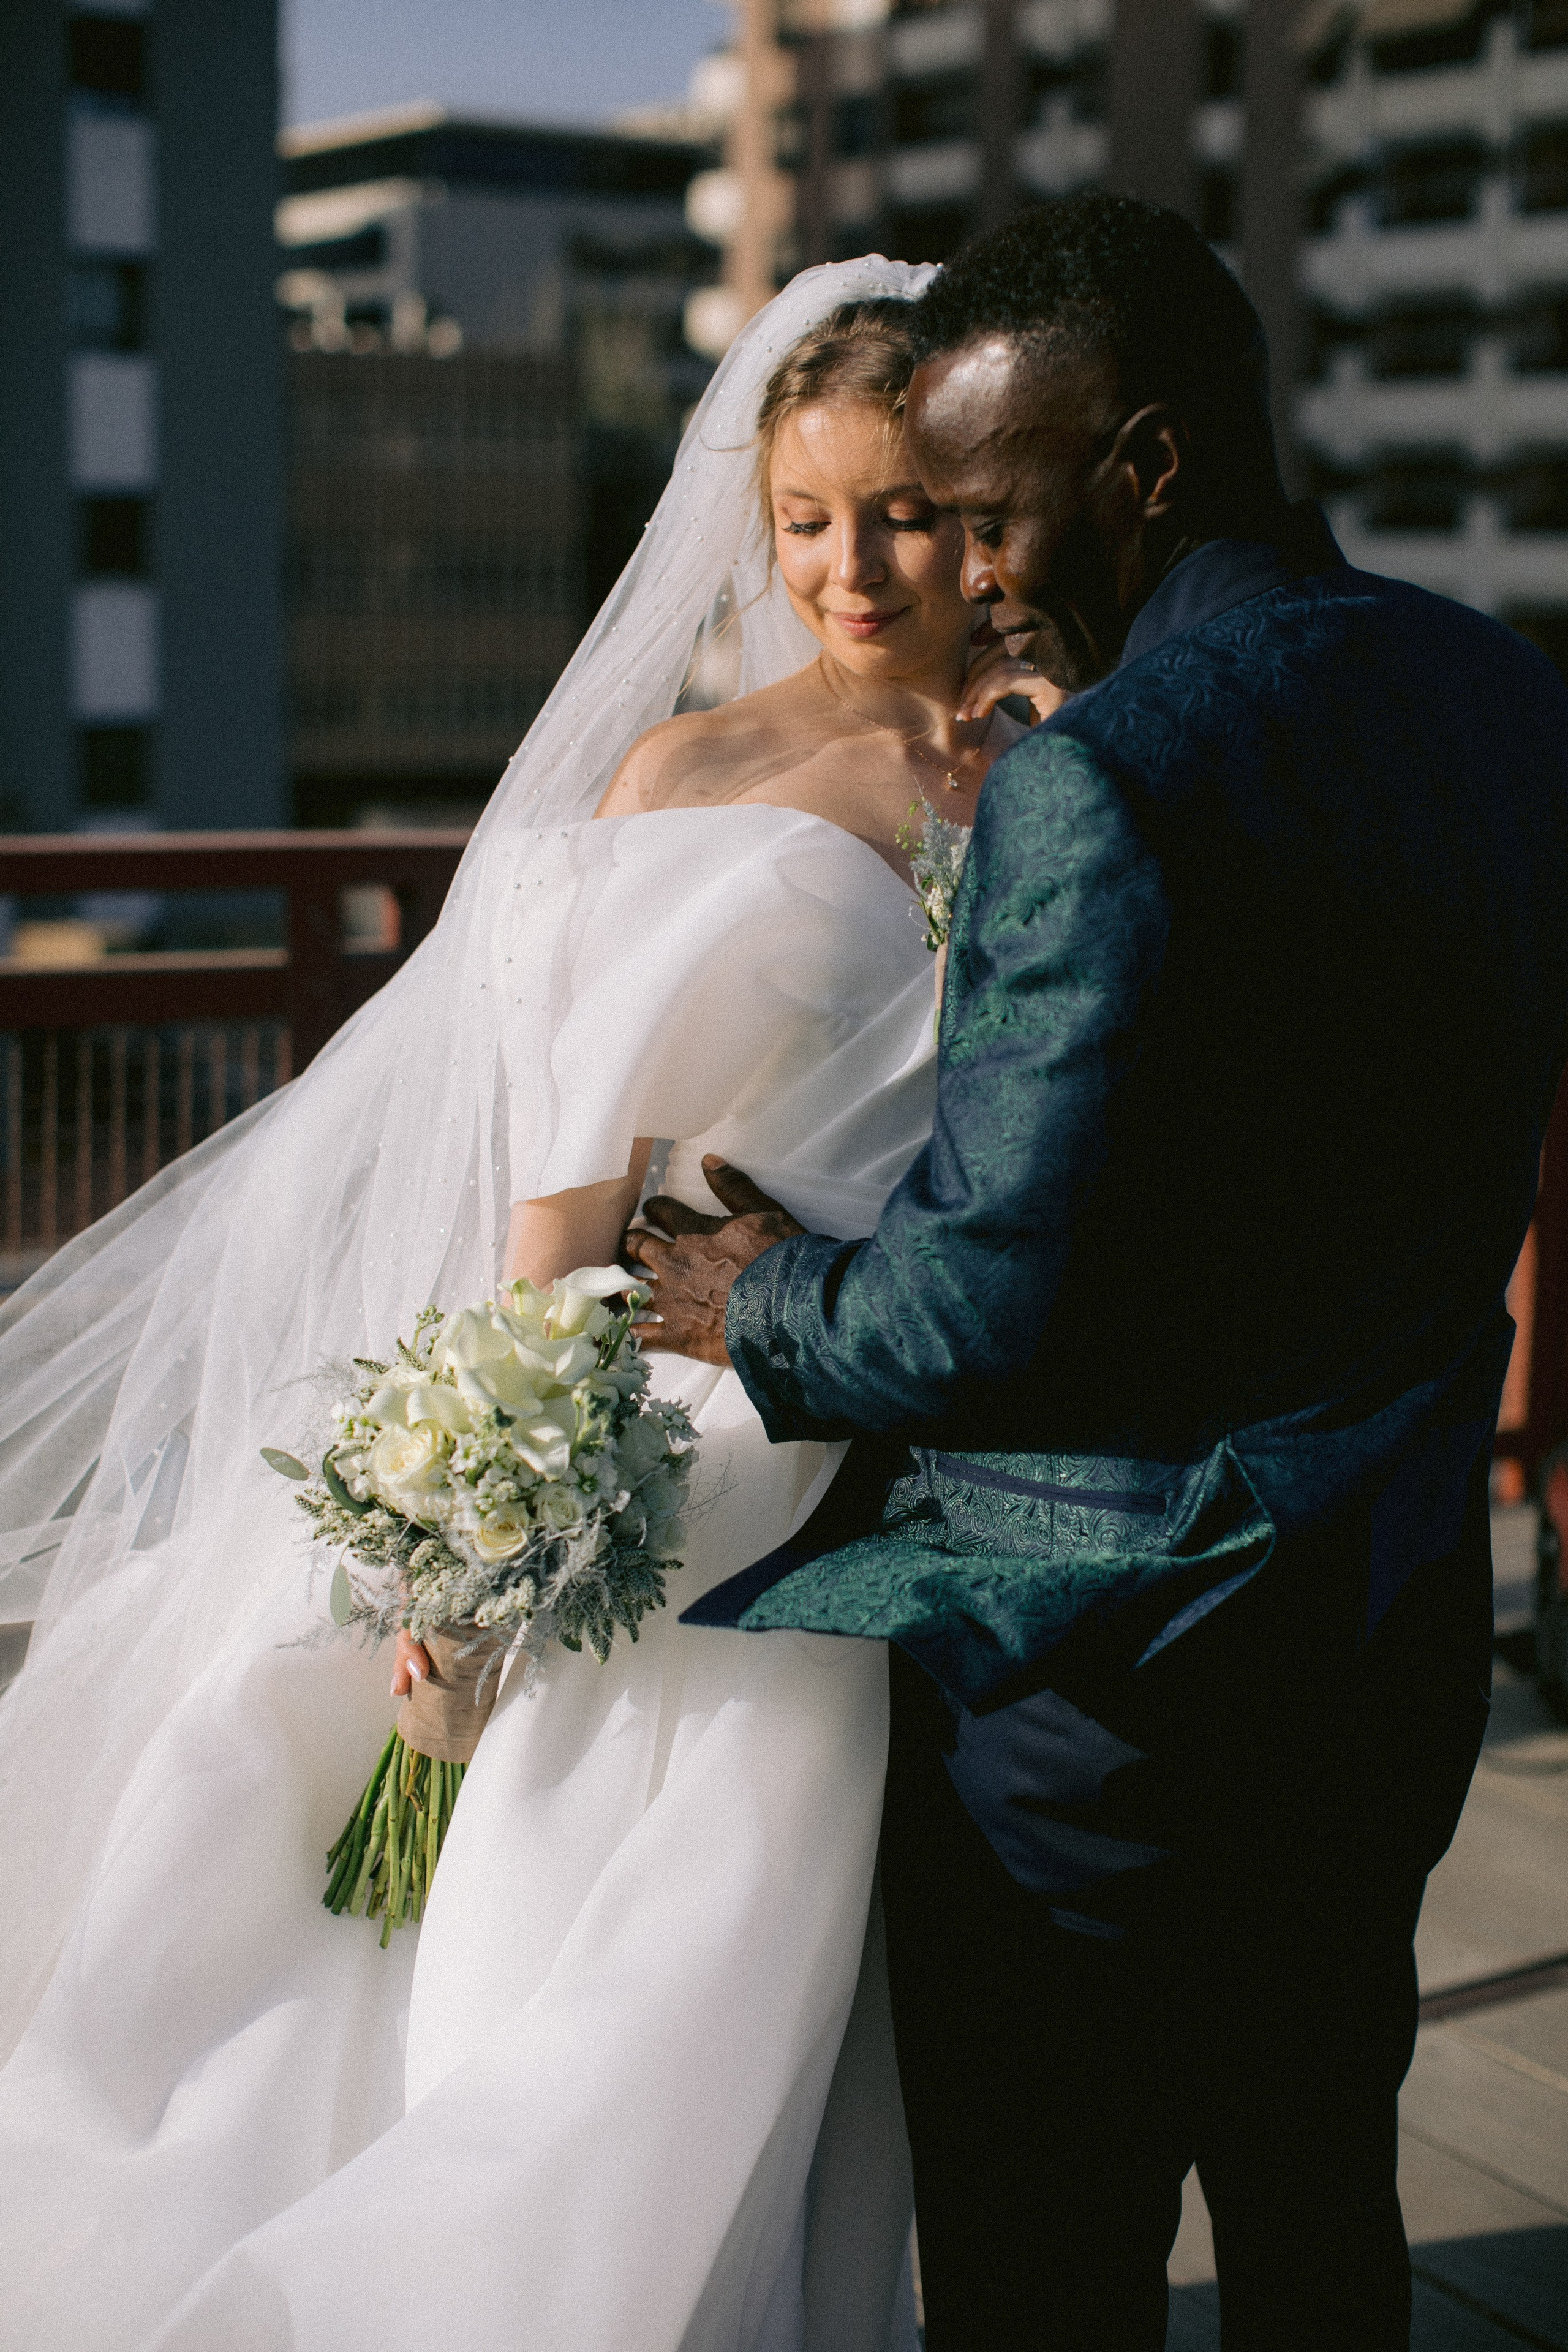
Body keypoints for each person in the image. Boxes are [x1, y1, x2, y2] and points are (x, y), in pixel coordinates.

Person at [0, 263, 1055, 2352]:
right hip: (713, 1434)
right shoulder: (688, 773)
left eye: (907, 514)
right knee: (645, 1947)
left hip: (947, 1426)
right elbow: (566, 1193)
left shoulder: (1054, 762)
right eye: (808, 520)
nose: (855, 567)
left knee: (822, 2005)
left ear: (983, 513)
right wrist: (484, 1540)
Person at [628, 196, 1568, 2350]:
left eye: (987, 512)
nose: (968, 571)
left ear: (1144, 465)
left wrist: (749, 1297)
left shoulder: (1106, 776)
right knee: (1322, 2202)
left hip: (1108, 1697)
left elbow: (971, 1308)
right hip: (1396, 1624)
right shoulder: (1504, 694)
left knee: (1048, 2267)